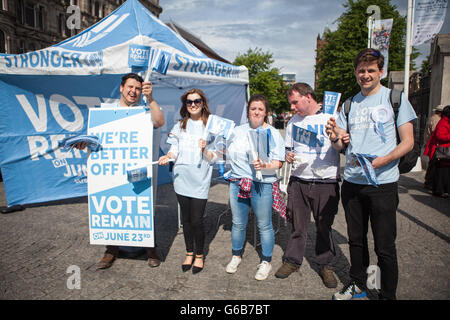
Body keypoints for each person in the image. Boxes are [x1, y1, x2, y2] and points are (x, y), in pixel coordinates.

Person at [326, 48, 416, 300]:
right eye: (361, 70)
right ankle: (359, 285)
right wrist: (334, 136)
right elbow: (340, 145)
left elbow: (408, 141)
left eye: (371, 70)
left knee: (384, 246)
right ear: (356, 73)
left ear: (381, 72)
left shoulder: (395, 98)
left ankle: (388, 295)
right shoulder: (349, 103)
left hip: (383, 183)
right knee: (356, 240)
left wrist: (384, 160)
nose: (366, 75)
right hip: (353, 182)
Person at [76, 73, 165, 269]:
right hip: (113, 171)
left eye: (138, 89)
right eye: (130, 87)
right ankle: (111, 249)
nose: (133, 91)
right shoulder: (105, 112)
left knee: (142, 206)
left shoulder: (144, 111)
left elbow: (159, 122)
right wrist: (85, 144)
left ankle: (150, 248)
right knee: (112, 204)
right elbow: (95, 141)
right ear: (121, 88)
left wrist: (150, 99)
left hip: (137, 170)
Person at [274, 83, 340, 289]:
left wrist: (338, 136)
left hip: (326, 181)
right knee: (297, 224)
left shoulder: (331, 117)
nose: (293, 107)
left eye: (295, 102)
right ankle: (293, 260)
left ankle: (325, 264)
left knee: (323, 225)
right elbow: (288, 149)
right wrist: (288, 155)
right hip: (299, 180)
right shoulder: (293, 122)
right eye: (291, 104)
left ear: (308, 97)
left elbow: (342, 145)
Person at [224, 94, 285, 281]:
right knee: (238, 223)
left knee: (264, 224)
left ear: (266, 112)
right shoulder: (237, 130)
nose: (256, 112)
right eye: (253, 108)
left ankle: (266, 261)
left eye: (260, 109)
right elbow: (226, 152)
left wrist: (265, 166)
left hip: (262, 184)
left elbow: (279, 162)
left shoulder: (273, 133)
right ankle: (236, 256)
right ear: (248, 111)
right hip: (238, 182)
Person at [158, 88, 215, 274]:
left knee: (197, 220)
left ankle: (199, 255)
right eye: (189, 102)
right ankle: (189, 253)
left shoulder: (211, 126)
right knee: (187, 220)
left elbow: (215, 157)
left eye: (196, 101)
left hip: (200, 179)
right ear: (185, 105)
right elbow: (174, 149)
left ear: (202, 103)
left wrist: (205, 150)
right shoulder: (180, 125)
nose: (193, 105)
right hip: (181, 178)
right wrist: (168, 156)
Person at [424, 105, 450, 198]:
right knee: (439, 171)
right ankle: (437, 188)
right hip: (442, 151)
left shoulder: (441, 120)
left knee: (440, 171)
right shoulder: (441, 122)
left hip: (442, 150)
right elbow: (440, 136)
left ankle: (440, 188)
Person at [423, 105, 444, 190]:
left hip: (431, 143)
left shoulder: (433, 118)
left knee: (432, 164)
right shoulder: (436, 120)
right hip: (434, 145)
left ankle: (428, 181)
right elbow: (436, 133)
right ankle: (429, 182)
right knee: (433, 164)